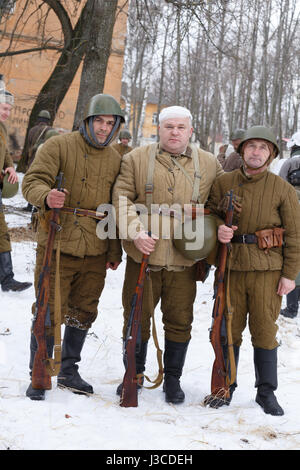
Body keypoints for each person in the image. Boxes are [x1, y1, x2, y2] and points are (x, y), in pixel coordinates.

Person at [112, 105, 223, 404]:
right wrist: (135, 232)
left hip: (185, 261)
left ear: (190, 131)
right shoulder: (135, 159)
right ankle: (133, 375)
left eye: (180, 127)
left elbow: (223, 204)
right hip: (143, 258)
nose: (175, 132)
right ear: (159, 129)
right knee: (136, 317)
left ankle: (172, 379)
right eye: (168, 127)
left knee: (179, 321)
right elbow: (121, 199)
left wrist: (212, 224)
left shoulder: (210, 164)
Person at [22, 93, 125, 401]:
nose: (104, 129)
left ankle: (69, 370)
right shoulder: (58, 146)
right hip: (57, 241)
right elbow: (31, 182)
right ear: (87, 121)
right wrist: (47, 196)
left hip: (95, 248)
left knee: (84, 311)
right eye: (99, 121)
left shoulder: (116, 159)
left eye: (110, 123)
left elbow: (115, 208)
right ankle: (39, 370)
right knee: (49, 308)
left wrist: (113, 250)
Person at [206, 125, 300, 416]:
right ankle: (225, 387)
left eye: (262, 147)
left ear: (271, 153)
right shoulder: (223, 183)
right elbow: (208, 216)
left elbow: (295, 235)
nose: (256, 152)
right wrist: (217, 229)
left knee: (264, 331)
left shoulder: (282, 188)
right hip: (230, 268)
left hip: (267, 272)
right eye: (251, 147)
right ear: (242, 150)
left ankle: (266, 392)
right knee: (227, 330)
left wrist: (289, 276)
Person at [0, 87, 32, 292]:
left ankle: (7, 279)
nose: (7, 112)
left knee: (1, 231)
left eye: (9, 109)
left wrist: (9, 165)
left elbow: (5, 152)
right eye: (4, 108)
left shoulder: (2, 128)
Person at [278, 131, 300, 318]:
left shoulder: (289, 163)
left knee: (294, 258)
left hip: (293, 215)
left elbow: (280, 188)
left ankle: (292, 308)